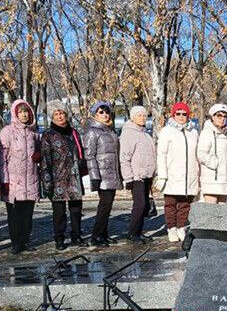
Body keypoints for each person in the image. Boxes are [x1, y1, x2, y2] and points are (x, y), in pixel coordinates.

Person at [41, 101, 86, 250]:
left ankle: (76, 235)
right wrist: (47, 182)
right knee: (59, 212)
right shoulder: (48, 135)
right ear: (52, 117)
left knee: (76, 209)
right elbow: (45, 160)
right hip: (57, 178)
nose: (60, 116)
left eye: (62, 113)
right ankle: (59, 238)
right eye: (56, 114)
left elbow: (81, 154)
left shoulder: (73, 132)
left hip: (73, 177)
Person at [0, 99, 40, 254]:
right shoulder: (7, 131)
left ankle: (25, 240)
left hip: (31, 179)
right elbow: (2, 158)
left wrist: (38, 156)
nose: (24, 114)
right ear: (15, 113)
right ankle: (16, 242)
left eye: (26, 111)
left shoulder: (34, 133)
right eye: (21, 111)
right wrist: (4, 180)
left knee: (27, 214)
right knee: (14, 214)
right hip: (14, 181)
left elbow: (39, 151)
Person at [157, 102, 200, 243]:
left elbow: (197, 154)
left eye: (184, 114)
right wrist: (163, 175)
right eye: (178, 113)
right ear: (173, 115)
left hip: (189, 175)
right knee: (171, 204)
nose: (181, 116)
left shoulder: (193, 132)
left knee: (185, 204)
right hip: (172, 174)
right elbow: (161, 154)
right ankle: (171, 228)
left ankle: (181, 227)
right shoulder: (167, 131)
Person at [85, 100, 122, 246]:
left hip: (112, 174)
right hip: (101, 175)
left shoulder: (110, 131)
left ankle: (103, 234)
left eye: (107, 112)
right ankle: (96, 236)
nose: (105, 115)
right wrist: (94, 177)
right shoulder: (92, 132)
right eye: (101, 112)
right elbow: (89, 155)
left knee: (108, 205)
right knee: (104, 205)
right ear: (95, 114)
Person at [120, 105, 157, 242]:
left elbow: (151, 155)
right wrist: (128, 178)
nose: (142, 118)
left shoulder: (146, 134)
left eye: (144, 115)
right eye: (139, 115)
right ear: (132, 117)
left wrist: (154, 172)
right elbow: (124, 158)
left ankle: (139, 231)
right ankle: (132, 234)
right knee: (139, 204)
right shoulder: (128, 133)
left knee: (145, 205)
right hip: (136, 176)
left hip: (147, 175)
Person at [197, 103, 227, 204]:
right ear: (212, 117)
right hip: (211, 180)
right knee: (210, 214)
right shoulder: (207, 133)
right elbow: (201, 154)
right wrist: (215, 163)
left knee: (222, 215)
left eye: (225, 116)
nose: (222, 119)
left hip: (224, 179)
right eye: (219, 116)